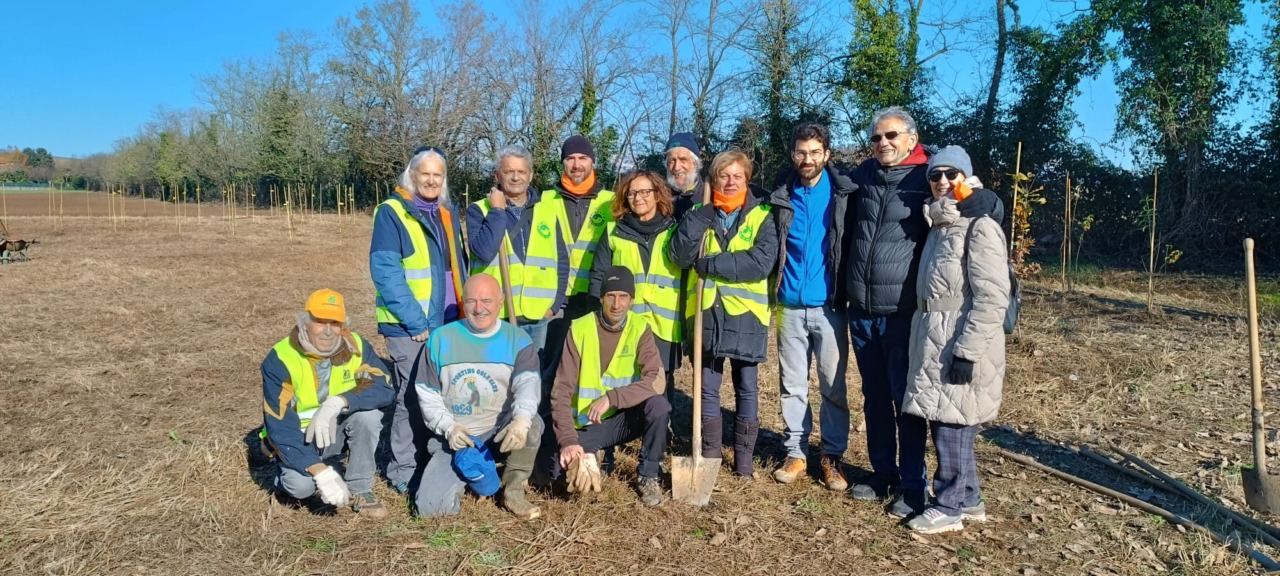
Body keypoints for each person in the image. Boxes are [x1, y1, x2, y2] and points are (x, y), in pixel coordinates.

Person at [901, 146, 1009, 533]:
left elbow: (993, 295)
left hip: (961, 334)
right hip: (932, 330)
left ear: (966, 178)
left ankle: (948, 505)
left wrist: (968, 350)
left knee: (953, 422)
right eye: (935, 175)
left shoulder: (979, 225)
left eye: (951, 174)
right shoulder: (940, 224)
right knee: (948, 415)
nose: (943, 182)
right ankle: (970, 497)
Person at [843, 106, 933, 518]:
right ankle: (883, 472)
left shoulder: (929, 178)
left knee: (905, 401)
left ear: (911, 139)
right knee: (874, 396)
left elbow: (977, 207)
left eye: (891, 136)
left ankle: (914, 485)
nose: (883, 143)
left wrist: (983, 196)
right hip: (861, 309)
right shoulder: (863, 175)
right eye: (877, 137)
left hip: (902, 311)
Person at [669, 149, 778, 479]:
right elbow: (678, 255)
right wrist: (698, 219)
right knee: (707, 389)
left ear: (747, 179)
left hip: (746, 315)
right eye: (723, 176)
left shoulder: (763, 215)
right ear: (713, 179)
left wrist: (711, 266)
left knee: (747, 388)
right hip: (706, 314)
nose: (730, 182)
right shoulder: (700, 213)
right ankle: (711, 457)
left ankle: (744, 463)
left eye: (737, 176)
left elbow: (759, 262)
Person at [370, 146, 470, 495]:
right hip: (411, 325)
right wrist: (416, 322)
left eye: (437, 175)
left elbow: (457, 268)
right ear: (411, 175)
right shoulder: (393, 213)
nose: (431, 180)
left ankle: (432, 457)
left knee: (439, 393)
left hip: (448, 321)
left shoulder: (445, 213)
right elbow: (386, 272)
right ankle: (402, 469)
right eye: (424, 173)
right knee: (411, 396)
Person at [409, 274, 544, 519]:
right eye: (471, 301)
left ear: (501, 302)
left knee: (533, 425)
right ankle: (477, 473)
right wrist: (449, 428)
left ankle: (513, 491)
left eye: (486, 300)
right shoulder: (440, 339)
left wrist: (521, 421)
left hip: (500, 429)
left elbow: (528, 385)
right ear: (463, 302)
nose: (479, 308)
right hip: (458, 437)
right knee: (430, 509)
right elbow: (427, 395)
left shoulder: (518, 340)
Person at [768, 123, 857, 490]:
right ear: (793, 154)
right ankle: (796, 452)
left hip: (830, 305)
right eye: (801, 152)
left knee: (833, 386)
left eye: (815, 152)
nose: (808, 159)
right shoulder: (779, 195)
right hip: (789, 305)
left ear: (827, 154)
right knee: (792, 384)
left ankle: (832, 456)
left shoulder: (845, 194)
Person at [260, 289, 395, 517]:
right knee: (301, 487)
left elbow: (383, 387)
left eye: (335, 323)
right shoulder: (280, 358)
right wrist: (322, 473)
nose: (328, 331)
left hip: (334, 432)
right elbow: (280, 427)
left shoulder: (357, 347)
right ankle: (284, 482)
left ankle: (361, 488)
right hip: (296, 439)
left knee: (368, 416)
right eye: (320, 322)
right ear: (305, 323)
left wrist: (340, 401)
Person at [549, 267, 670, 505]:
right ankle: (597, 454)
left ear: (632, 300)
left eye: (623, 297)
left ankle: (648, 475)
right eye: (611, 296)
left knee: (659, 406)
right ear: (602, 298)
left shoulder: (640, 328)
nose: (617, 304)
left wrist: (612, 398)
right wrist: (568, 441)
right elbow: (560, 391)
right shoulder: (580, 328)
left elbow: (656, 380)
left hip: (624, 418)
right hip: (588, 423)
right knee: (560, 479)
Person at [466, 144, 569, 379]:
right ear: (497, 175)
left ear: (531, 175)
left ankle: (530, 416)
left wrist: (555, 303)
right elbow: (483, 251)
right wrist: (498, 212)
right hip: (497, 314)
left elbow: (561, 260)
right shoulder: (479, 210)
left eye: (522, 172)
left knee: (532, 376)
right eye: (509, 171)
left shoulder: (547, 211)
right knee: (498, 375)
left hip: (537, 315)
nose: (515, 177)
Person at [589, 170, 682, 403]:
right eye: (631, 193)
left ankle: (661, 429)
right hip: (626, 321)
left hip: (665, 325)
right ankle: (626, 427)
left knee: (661, 380)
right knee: (627, 378)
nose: (638, 197)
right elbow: (599, 276)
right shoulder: (613, 231)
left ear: (658, 195)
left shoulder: (675, 231)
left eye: (644, 192)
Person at [664, 132, 706, 220]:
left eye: (683, 160)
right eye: (672, 161)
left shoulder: (709, 196)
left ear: (695, 163)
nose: (676, 167)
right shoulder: (660, 198)